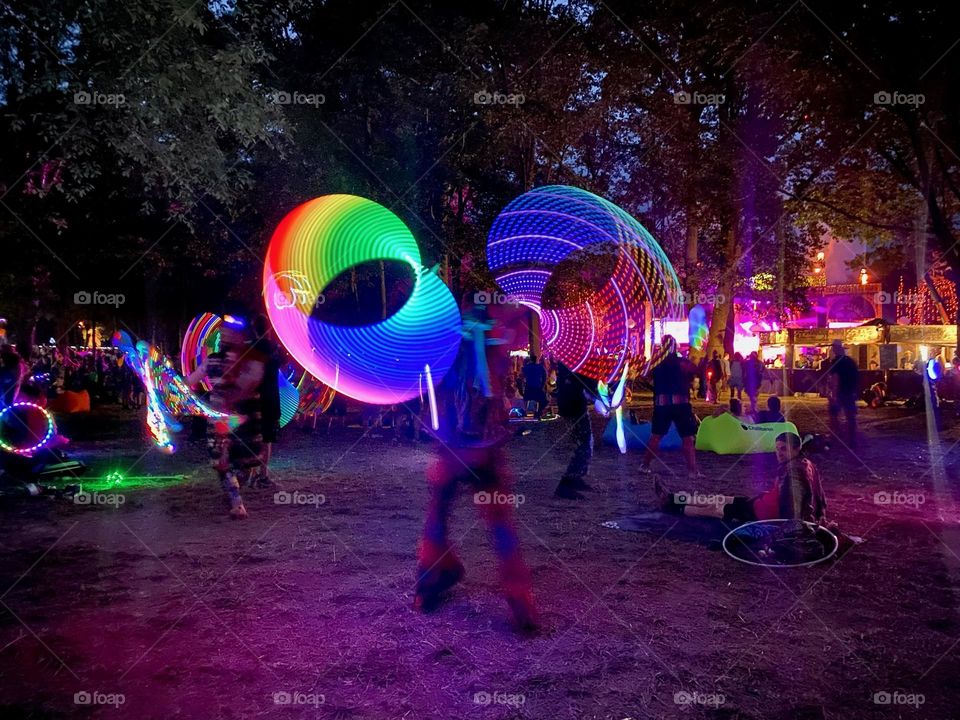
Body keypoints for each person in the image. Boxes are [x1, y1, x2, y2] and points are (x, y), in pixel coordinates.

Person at [415, 297, 537, 633]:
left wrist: (482, 340)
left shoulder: (489, 346)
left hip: (476, 450)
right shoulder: (455, 351)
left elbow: (486, 388)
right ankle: (433, 580)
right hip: (460, 448)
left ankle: (518, 601)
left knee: (488, 524)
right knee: (444, 519)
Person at [186, 316, 267, 520]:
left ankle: (236, 492)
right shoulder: (212, 361)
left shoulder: (253, 360)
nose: (224, 336)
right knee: (223, 463)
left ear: (241, 336)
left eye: (228, 332)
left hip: (241, 419)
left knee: (242, 463)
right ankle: (236, 502)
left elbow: (248, 385)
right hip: (223, 419)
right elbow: (190, 381)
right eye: (222, 333)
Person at [655, 433, 826, 524]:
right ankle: (673, 497)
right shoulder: (801, 464)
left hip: (763, 514)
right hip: (762, 503)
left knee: (714, 508)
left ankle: (673, 506)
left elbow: (792, 508)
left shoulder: (795, 471)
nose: (778, 453)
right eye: (777, 448)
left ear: (796, 449)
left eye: (783, 449)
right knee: (719, 499)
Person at [640, 336, 700, 478]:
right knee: (687, 438)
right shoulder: (683, 363)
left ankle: (645, 465)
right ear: (675, 347)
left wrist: (654, 387)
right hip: (681, 403)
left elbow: (643, 375)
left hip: (662, 403)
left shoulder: (655, 363)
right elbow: (695, 372)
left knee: (656, 436)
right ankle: (692, 471)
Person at [553, 362, 599, 500]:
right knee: (579, 443)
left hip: (572, 404)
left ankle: (575, 477)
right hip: (573, 406)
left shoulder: (570, 360)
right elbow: (589, 386)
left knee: (582, 442)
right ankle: (565, 484)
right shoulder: (580, 360)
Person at [250, 315, 281, 487]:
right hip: (270, 397)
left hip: (253, 397)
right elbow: (280, 365)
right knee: (267, 438)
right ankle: (263, 475)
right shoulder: (273, 347)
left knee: (253, 436)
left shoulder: (249, 348)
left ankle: (251, 473)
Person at [827, 340, 859, 446]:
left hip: (840, 392)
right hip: (850, 391)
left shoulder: (836, 362)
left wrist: (833, 394)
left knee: (834, 414)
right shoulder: (851, 361)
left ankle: (836, 436)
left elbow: (835, 378)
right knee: (850, 415)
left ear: (836, 349)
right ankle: (852, 437)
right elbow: (856, 377)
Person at [521, 354, 548, 418]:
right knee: (540, 400)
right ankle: (537, 412)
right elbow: (545, 376)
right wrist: (542, 384)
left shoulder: (526, 367)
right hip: (537, 386)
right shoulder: (540, 367)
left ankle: (525, 412)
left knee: (526, 399)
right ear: (536, 360)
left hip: (529, 386)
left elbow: (522, 376)